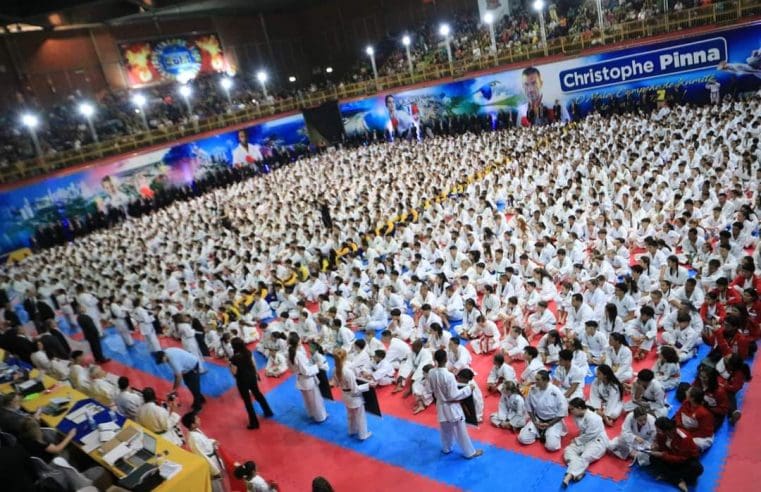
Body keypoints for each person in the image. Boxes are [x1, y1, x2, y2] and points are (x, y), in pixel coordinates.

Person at [427, 349, 483, 459]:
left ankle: (446, 448)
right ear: (446, 359)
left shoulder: (431, 372)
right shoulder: (449, 376)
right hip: (452, 407)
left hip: (440, 405)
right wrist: (468, 389)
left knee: (445, 429)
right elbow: (454, 395)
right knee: (460, 431)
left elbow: (430, 389)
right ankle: (469, 453)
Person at [646, 417, 704, 492]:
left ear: (666, 431)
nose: (657, 431)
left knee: (697, 468)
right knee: (652, 458)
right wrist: (656, 447)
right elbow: (662, 447)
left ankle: (668, 476)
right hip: (670, 458)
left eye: (658, 429)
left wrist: (663, 455)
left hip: (685, 461)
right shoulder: (661, 435)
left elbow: (681, 458)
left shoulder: (684, 438)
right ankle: (678, 481)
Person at [561, 398, 609, 487]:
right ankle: (579, 473)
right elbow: (583, 432)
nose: (570, 411)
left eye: (572, 409)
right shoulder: (576, 415)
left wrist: (576, 440)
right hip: (584, 439)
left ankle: (569, 475)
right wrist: (577, 440)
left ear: (579, 408)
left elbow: (590, 434)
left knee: (585, 456)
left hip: (597, 441)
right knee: (568, 450)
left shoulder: (594, 418)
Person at [229, 337, 274, 429]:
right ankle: (268, 411)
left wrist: (229, 365)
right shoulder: (248, 352)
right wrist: (256, 374)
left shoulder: (234, 358)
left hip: (242, 380)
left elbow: (234, 372)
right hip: (252, 376)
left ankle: (254, 423)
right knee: (258, 394)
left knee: (247, 401)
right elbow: (253, 364)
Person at [519, 370, 568, 451]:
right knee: (522, 438)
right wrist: (534, 421)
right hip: (538, 419)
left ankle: (546, 433)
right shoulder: (532, 389)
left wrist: (549, 424)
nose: (535, 381)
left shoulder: (555, 391)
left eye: (538, 380)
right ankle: (541, 433)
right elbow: (528, 407)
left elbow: (563, 411)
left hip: (552, 421)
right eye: (535, 379)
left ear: (545, 381)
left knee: (551, 447)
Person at [287, 332, 327, 423]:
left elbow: (291, 368)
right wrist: (317, 366)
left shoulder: (290, 352)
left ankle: (312, 414)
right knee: (315, 400)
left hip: (300, 379)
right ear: (298, 341)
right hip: (307, 380)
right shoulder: (298, 354)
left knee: (308, 400)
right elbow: (306, 371)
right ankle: (320, 417)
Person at [333, 348, 371, 440]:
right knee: (360, 416)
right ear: (345, 357)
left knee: (350, 414)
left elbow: (336, 384)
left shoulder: (335, 369)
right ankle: (363, 435)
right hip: (354, 397)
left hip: (345, 395)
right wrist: (367, 385)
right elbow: (355, 390)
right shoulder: (348, 372)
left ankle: (352, 430)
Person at [182, 411, 225, 492]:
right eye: (197, 418)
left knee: (219, 483)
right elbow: (202, 455)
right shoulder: (193, 438)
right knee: (216, 486)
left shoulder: (196, 430)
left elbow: (205, 441)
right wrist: (215, 471)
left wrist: (212, 442)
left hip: (213, 459)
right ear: (192, 424)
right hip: (209, 463)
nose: (199, 419)